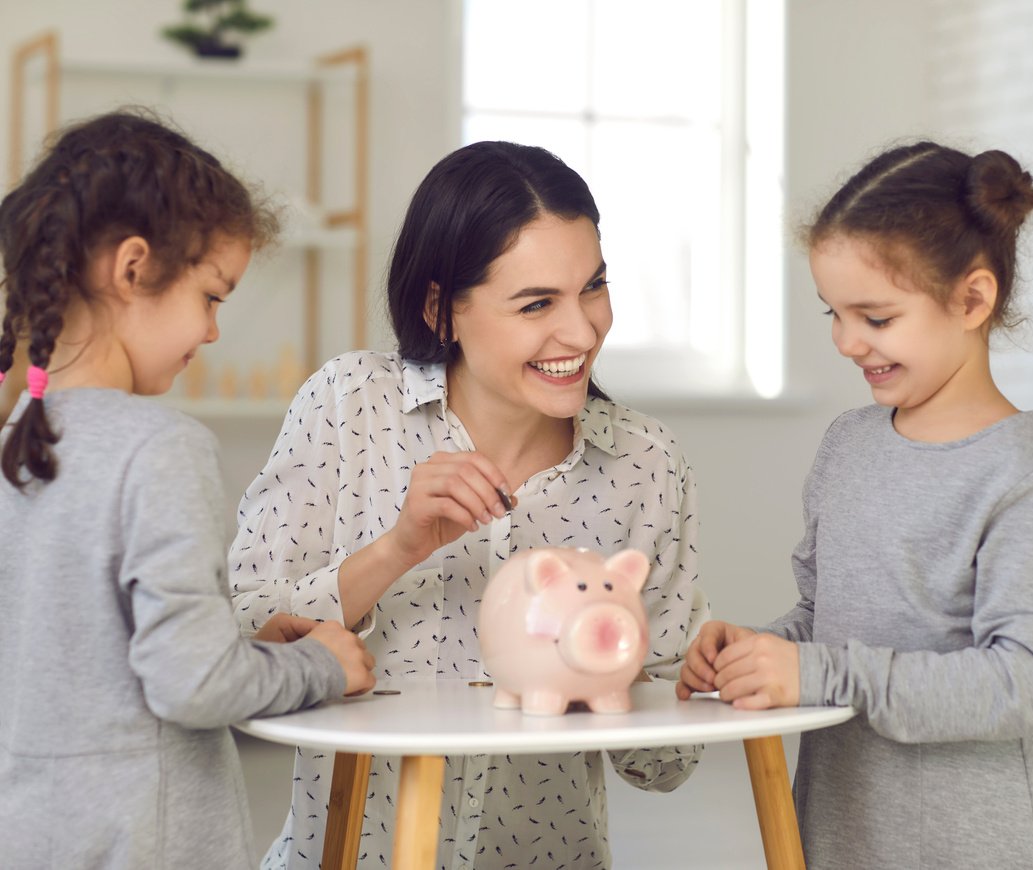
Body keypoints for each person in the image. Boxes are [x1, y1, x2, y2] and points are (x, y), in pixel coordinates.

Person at [229, 140, 708, 870]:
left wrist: (612, 661)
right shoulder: (348, 405)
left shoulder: (644, 462)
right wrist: (396, 550)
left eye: (594, 287)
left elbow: (668, 764)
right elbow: (242, 647)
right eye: (536, 303)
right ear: (439, 308)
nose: (581, 332)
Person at [677, 142, 1033, 869]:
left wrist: (815, 674)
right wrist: (756, 651)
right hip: (846, 831)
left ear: (971, 299)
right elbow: (830, 618)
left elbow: (1028, 685)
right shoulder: (849, 445)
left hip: (977, 846)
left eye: (875, 318)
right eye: (834, 313)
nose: (847, 342)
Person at [0, 110, 377, 870]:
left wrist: (242, 652)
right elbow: (193, 686)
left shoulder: (15, 445)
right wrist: (321, 668)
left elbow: (92, 663)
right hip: (148, 843)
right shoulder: (160, 449)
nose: (211, 332)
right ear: (133, 268)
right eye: (211, 296)